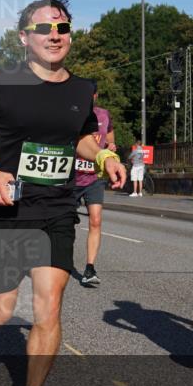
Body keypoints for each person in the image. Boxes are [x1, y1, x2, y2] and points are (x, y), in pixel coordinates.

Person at [0, 0, 126, 386]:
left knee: (49, 307)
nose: (54, 36)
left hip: (56, 210)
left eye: (62, 28)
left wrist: (104, 154)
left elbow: (84, 137)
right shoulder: (2, 84)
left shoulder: (81, 88)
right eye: (45, 28)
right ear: (24, 38)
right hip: (7, 210)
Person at [73, 83, 116, 287]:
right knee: (64, 222)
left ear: (96, 96)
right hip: (71, 177)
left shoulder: (104, 115)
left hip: (94, 178)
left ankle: (90, 268)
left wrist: (110, 147)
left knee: (96, 220)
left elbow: (110, 141)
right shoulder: (71, 113)